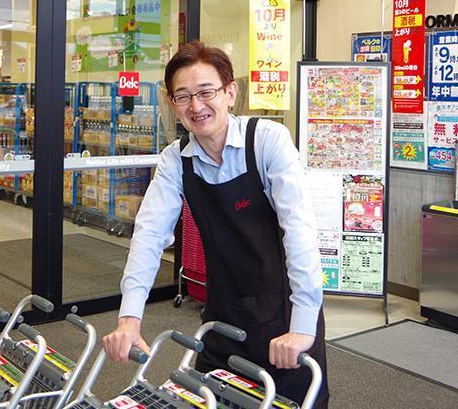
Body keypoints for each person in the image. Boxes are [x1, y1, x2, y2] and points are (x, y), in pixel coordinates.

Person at [103, 41, 329, 407]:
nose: (196, 105)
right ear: (173, 104)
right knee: (210, 399)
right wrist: (129, 318)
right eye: (183, 96)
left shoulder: (267, 141)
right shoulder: (176, 160)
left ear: (229, 93)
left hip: (284, 316)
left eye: (206, 92)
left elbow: (299, 232)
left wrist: (302, 326)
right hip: (223, 316)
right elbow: (148, 235)